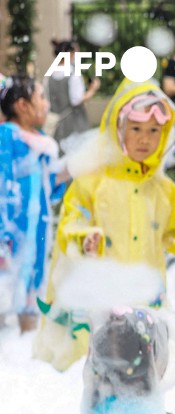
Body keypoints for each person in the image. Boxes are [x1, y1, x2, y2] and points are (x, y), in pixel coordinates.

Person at [33, 79, 175, 370]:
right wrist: (84, 239)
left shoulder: (164, 190)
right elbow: (71, 223)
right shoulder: (91, 183)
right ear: (118, 130)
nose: (145, 139)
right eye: (136, 129)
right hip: (99, 302)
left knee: (144, 371)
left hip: (145, 302)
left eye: (154, 131)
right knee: (100, 370)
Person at [0, 75, 65, 333]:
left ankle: (25, 341)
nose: (47, 105)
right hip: (10, 233)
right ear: (22, 106)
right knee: (5, 287)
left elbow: (50, 188)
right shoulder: (7, 137)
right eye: (41, 98)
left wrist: (71, 169)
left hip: (37, 232)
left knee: (32, 288)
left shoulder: (43, 142)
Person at [45, 39, 100, 148]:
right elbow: (77, 100)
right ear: (69, 53)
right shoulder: (73, 73)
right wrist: (93, 89)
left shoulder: (49, 76)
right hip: (75, 125)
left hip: (56, 126)